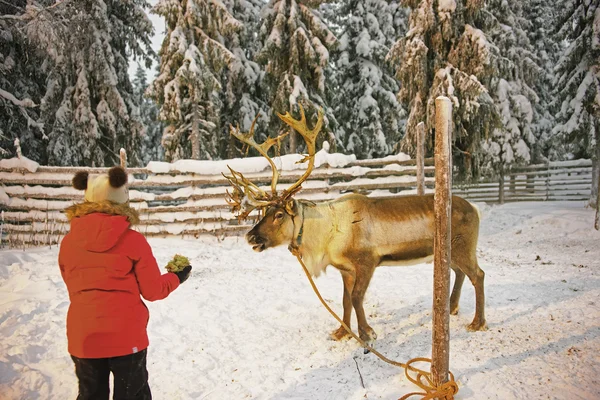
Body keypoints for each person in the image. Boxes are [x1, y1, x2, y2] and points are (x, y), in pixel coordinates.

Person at [59, 166, 192, 400]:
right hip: (126, 338)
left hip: (84, 337)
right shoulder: (133, 241)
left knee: (90, 395)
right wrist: (177, 277)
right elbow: (153, 291)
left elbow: (72, 286)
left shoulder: (68, 243)